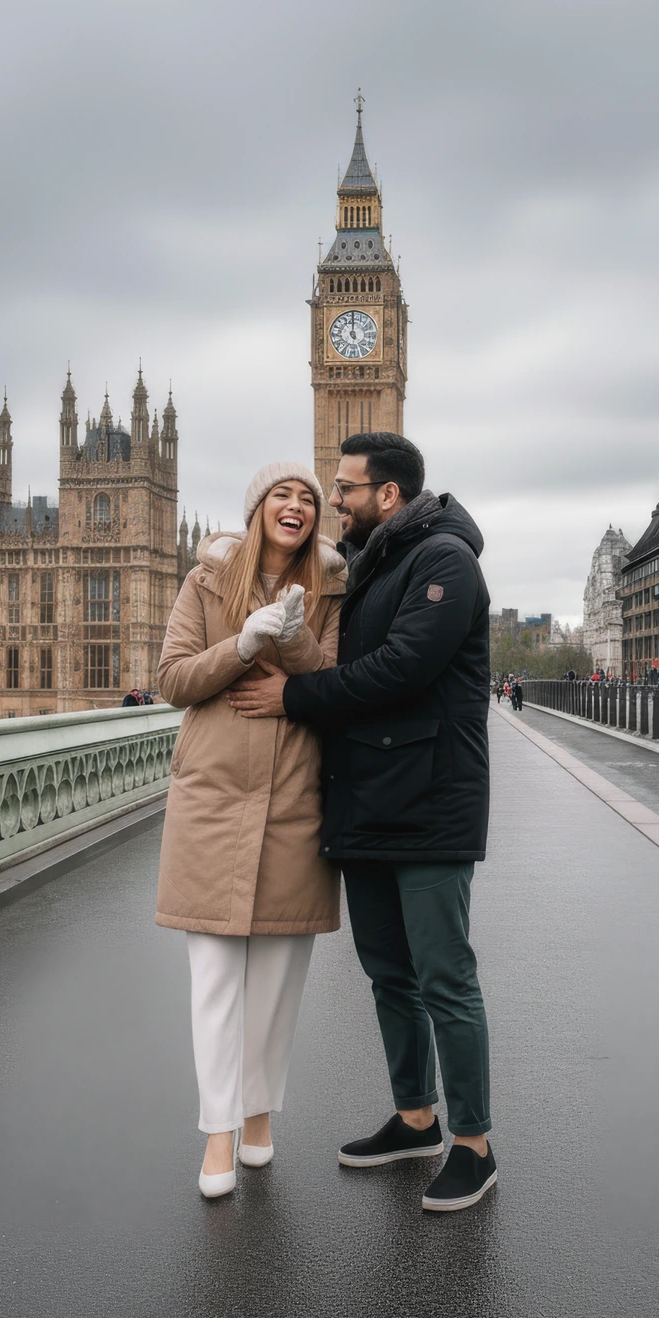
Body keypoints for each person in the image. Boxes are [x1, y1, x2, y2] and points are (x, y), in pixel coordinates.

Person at [229, 431, 495, 1215]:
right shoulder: (373, 562)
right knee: (390, 975)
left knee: (446, 976)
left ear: (387, 495)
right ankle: (416, 1118)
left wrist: (293, 697)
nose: (331, 500)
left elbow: (401, 669)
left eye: (342, 488)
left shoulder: (445, 560)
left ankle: (474, 1145)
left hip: (431, 800)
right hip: (372, 800)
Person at [156, 463, 347, 1199]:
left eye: (308, 498)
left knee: (276, 985)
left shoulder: (332, 590)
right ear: (258, 508)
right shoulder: (204, 584)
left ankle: (260, 1114)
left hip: (293, 797)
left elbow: (334, 681)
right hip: (212, 797)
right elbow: (172, 679)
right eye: (283, 495)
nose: (295, 506)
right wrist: (242, 644)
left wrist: (293, 647)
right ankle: (218, 1132)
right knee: (214, 984)